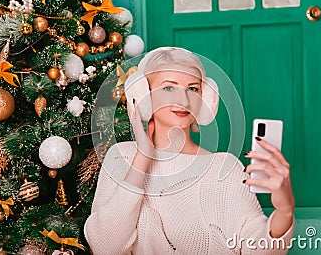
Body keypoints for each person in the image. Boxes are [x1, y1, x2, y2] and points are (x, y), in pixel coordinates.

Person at [84, 47, 295, 254]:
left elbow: (257, 248)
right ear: (143, 96)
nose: (183, 100)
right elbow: (104, 247)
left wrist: (285, 212)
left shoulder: (224, 167)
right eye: (168, 87)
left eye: (193, 89)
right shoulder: (122, 157)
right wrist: (143, 157)